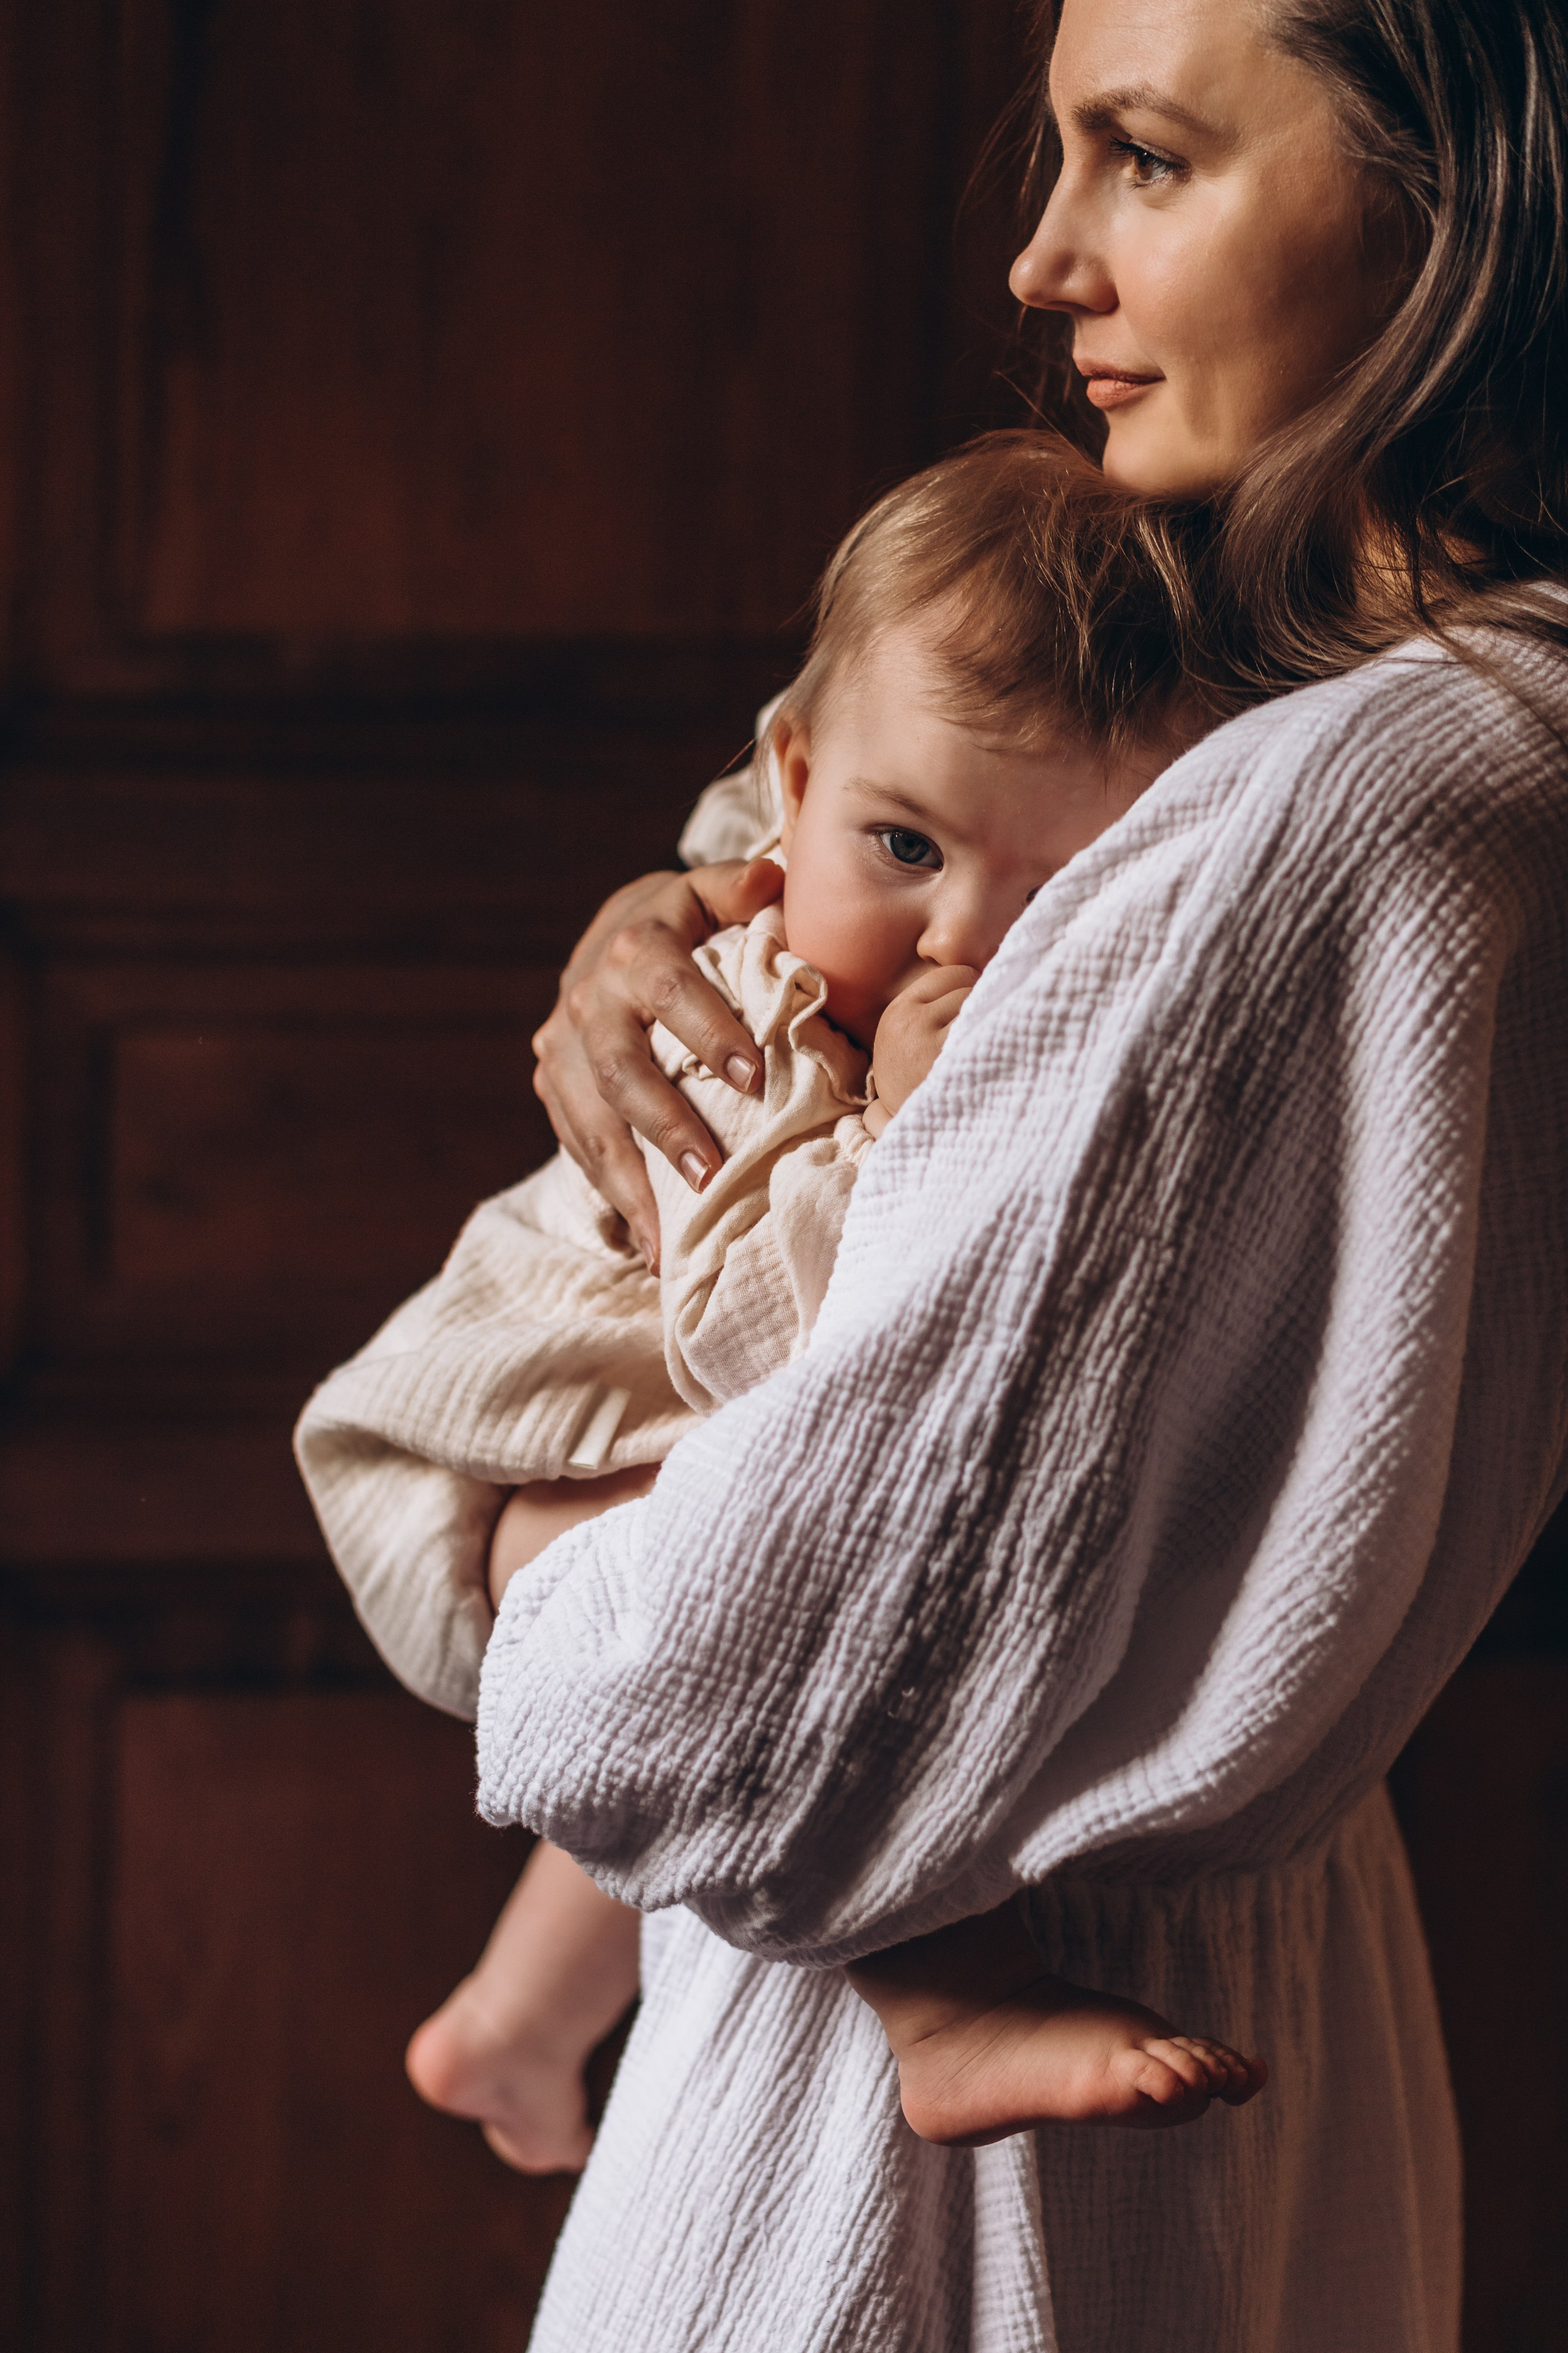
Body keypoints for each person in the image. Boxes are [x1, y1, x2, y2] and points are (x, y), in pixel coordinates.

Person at [481, 4, 1568, 2349]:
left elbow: (684, 1721)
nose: (1041, 260)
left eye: (1148, 159)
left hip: (926, 2137)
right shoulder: (1267, 679)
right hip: (1234, 2011)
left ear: (1462, 204)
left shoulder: (1344, 806)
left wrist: (537, 1536)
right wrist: (670, 915)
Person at [296, 434, 1266, 2175]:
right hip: (474, 1453)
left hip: (612, 1446)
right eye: (903, 845)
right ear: (790, 783)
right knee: (769, 1607)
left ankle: (514, 2022)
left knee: (709, 1603)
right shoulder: (734, 1018)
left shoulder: (873, 895)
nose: (956, 939)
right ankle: (944, 2003)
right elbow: (782, 1342)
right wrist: (911, 1133)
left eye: (1053, 905)